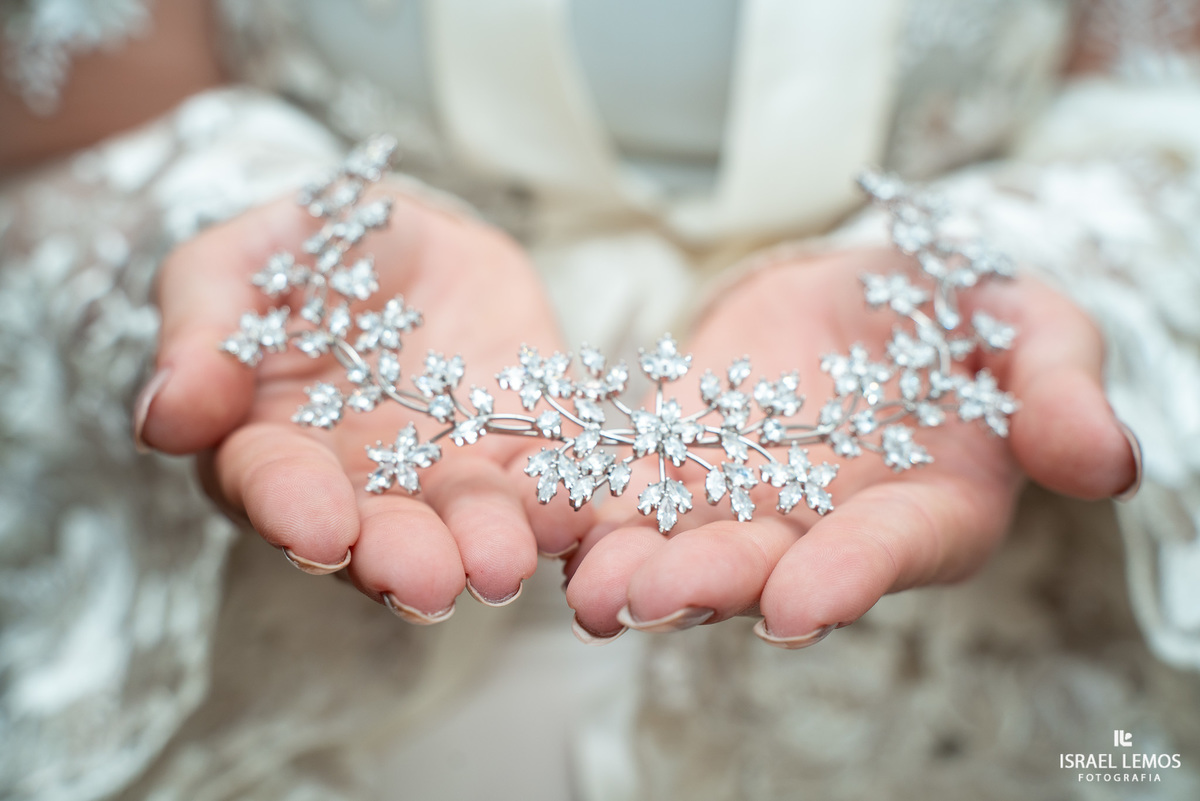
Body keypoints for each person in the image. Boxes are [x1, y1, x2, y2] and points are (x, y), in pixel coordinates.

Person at [1, 0, 1197, 798]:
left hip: (958, 632)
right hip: (328, 571)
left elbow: (1157, 101)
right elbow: (82, 112)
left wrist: (984, 263)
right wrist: (240, 228)